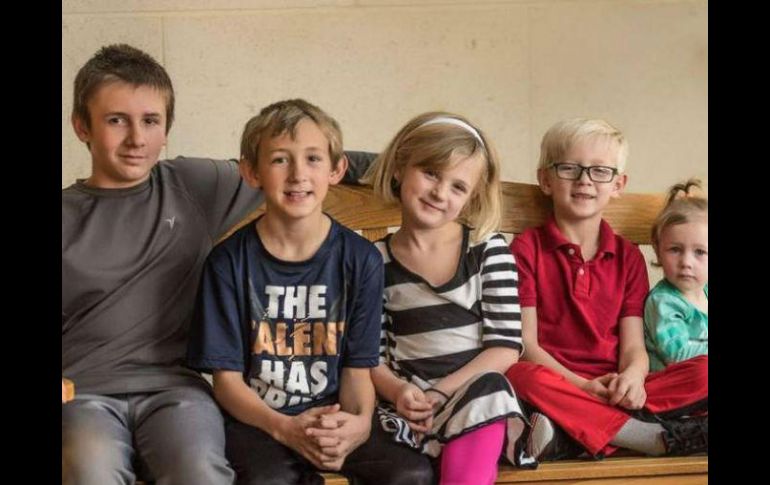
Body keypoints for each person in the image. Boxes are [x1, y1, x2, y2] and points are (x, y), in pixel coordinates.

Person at [62, 44, 373, 485]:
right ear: (82, 126)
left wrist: (415, 171)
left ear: (166, 129)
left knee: (199, 470)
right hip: (85, 391)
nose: (136, 139)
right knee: (90, 468)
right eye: (116, 120)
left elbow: (300, 158)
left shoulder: (193, 185)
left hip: (177, 390)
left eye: (150, 121)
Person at [187, 99, 434, 485]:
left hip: (336, 414)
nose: (298, 174)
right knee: (268, 481)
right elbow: (227, 382)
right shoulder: (228, 263)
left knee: (410, 474)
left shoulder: (360, 260)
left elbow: (358, 369)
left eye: (313, 159)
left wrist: (359, 426)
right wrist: (284, 428)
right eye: (280, 160)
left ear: (336, 170)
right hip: (260, 421)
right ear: (251, 172)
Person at [505, 118, 708, 461]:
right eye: (569, 168)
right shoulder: (526, 249)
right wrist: (582, 386)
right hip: (559, 384)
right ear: (546, 180)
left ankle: (575, 435)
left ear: (618, 184)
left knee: (703, 370)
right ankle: (644, 436)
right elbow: (527, 346)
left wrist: (633, 378)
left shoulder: (628, 257)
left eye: (600, 171)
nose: (584, 180)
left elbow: (634, 348)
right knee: (519, 375)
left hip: (618, 390)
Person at [364, 112, 535, 485]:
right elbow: (370, 355)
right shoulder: (374, 261)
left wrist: (442, 391)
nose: (440, 193)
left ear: (472, 197)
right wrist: (400, 391)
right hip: (410, 403)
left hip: (471, 395)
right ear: (399, 168)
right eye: (430, 173)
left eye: (458, 187)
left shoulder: (486, 250)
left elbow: (505, 347)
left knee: (491, 390)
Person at [644, 179, 708, 371]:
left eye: (700, 252)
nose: (686, 262)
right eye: (675, 250)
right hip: (671, 383)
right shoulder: (663, 302)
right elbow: (677, 355)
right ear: (658, 251)